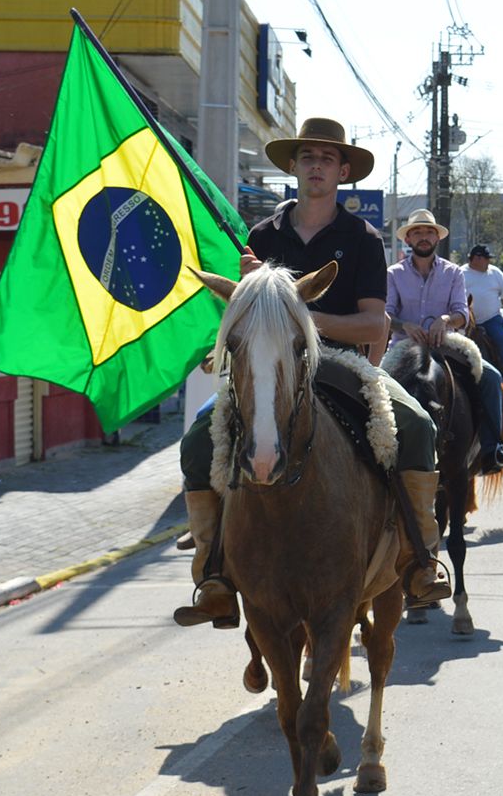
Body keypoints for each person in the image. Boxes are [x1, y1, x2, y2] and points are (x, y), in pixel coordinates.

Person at [173, 117, 448, 626]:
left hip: (338, 363)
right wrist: (256, 305)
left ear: (343, 171)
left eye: (327, 158)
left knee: (417, 425)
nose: (316, 165)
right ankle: (212, 573)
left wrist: (296, 316)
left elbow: (373, 323)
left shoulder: (362, 237)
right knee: (195, 440)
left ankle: (419, 555)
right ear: (294, 167)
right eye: (307, 157)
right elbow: (246, 317)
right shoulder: (262, 235)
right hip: (268, 368)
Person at [386, 212, 503, 473]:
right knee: (375, 385)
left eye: (428, 232)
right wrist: (406, 326)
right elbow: (386, 314)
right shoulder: (393, 274)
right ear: (409, 238)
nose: (423, 237)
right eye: (417, 233)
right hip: (404, 348)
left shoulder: (453, 272)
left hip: (445, 343)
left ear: (436, 237)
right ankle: (374, 448)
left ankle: (493, 449)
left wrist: (445, 320)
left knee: (492, 378)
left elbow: (462, 312)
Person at [463, 244, 503, 383]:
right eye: (486, 259)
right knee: (458, 347)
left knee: (501, 341)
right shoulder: (460, 273)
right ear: (476, 258)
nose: (489, 262)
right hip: (466, 322)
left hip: (491, 318)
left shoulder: (495, 272)